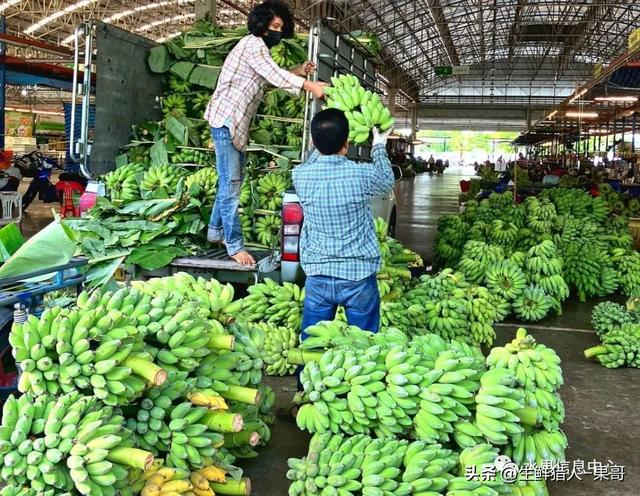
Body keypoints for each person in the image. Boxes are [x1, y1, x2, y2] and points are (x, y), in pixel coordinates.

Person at [203, 0, 326, 266]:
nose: (278, 31)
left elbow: (266, 79)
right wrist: (309, 85)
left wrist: (296, 72)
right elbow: (272, 74)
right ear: (261, 25)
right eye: (274, 26)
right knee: (231, 184)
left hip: (234, 124)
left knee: (229, 181)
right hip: (226, 120)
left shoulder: (258, 50)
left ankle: (215, 231)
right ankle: (234, 246)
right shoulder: (252, 44)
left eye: (281, 27)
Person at [293, 108, 395, 340]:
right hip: (358, 277)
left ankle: (306, 377)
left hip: (318, 275)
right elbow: (387, 181)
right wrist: (379, 145)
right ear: (346, 143)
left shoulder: (300, 175)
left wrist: (319, 143)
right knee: (364, 346)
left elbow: (315, 158)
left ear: (312, 142)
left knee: (313, 344)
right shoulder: (360, 175)